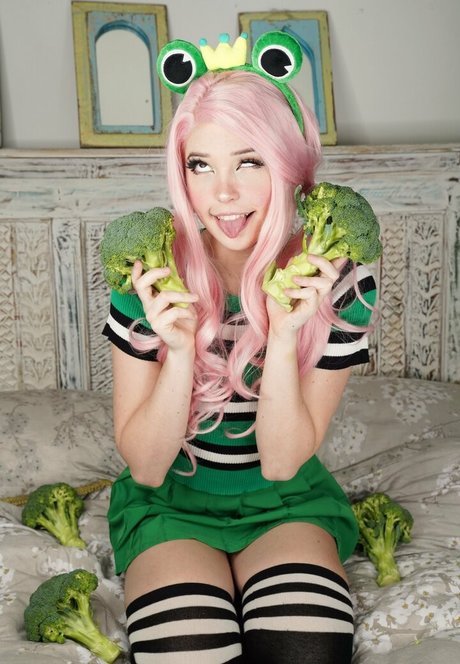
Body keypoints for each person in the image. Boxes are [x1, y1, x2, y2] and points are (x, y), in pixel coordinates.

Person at [103, 31, 377, 664]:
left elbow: (281, 462)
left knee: (304, 652)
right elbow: (146, 466)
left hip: (287, 503)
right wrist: (178, 352)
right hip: (168, 504)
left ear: (289, 163)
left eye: (249, 162)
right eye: (200, 165)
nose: (221, 193)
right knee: (190, 651)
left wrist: (283, 337)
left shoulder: (337, 277)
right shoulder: (146, 273)